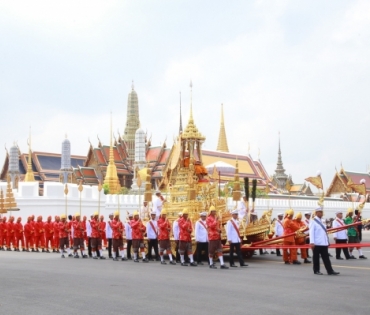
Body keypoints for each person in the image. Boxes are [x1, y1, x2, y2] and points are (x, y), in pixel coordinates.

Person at [309, 207, 339, 275]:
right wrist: (312, 242)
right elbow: (311, 232)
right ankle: (316, 270)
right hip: (316, 243)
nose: (321, 213)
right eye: (319, 212)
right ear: (316, 213)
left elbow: (324, 233)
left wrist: (326, 242)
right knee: (316, 257)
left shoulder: (322, 221)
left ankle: (330, 270)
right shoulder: (313, 221)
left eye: (321, 212)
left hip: (323, 243)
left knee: (326, 258)